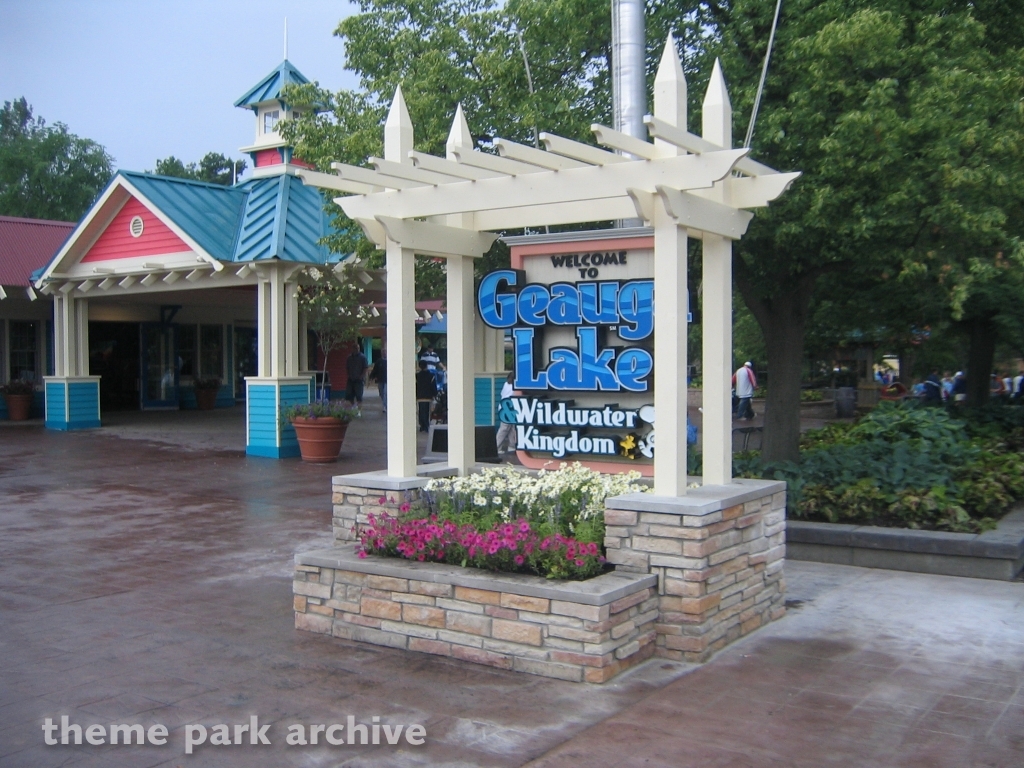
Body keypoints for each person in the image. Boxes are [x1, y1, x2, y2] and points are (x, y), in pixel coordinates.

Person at [495, 372, 517, 455]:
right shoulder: (514, 387)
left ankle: (512, 446)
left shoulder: (506, 384)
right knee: (504, 428)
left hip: (504, 408)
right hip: (508, 409)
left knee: (511, 428)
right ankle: (497, 447)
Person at [415, 360, 437, 433]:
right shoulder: (431, 376)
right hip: (428, 397)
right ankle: (426, 425)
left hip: (419, 397)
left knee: (420, 411)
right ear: (426, 366)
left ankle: (422, 425)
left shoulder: (417, 376)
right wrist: (434, 395)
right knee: (427, 412)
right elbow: (433, 386)